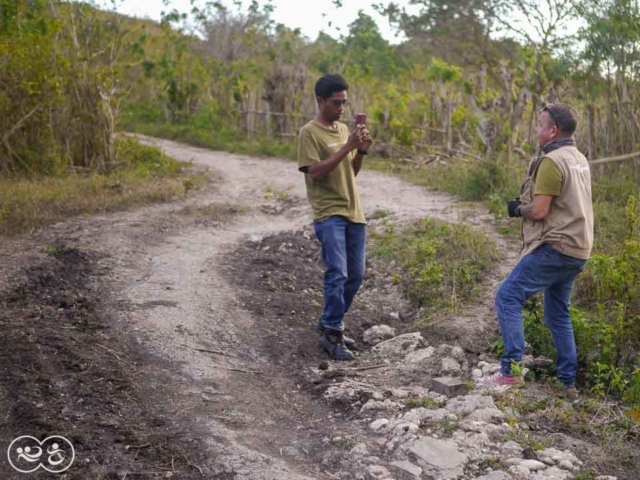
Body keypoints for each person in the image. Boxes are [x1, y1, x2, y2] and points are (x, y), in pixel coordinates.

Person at [486, 103, 593, 393]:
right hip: (579, 249)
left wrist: (517, 209)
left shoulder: (552, 161)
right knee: (558, 315)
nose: (536, 129)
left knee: (507, 296)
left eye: (539, 124)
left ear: (553, 130)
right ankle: (567, 383)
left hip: (557, 246)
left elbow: (539, 210)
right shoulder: (578, 158)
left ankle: (511, 370)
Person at [297, 74, 372, 361]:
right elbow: (315, 173)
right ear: (320, 101)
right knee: (337, 272)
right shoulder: (309, 133)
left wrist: (360, 152)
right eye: (335, 102)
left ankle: (330, 321)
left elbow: (349, 173)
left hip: (354, 211)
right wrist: (346, 147)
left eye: (344, 102)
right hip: (329, 213)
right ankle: (331, 332)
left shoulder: (343, 129)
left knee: (355, 275)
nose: (341, 108)